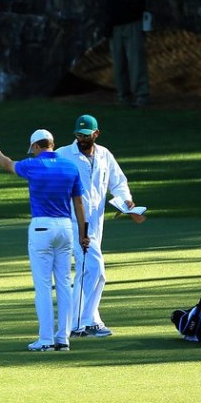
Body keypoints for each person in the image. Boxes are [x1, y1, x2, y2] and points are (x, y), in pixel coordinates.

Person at [0, 129, 88, 351]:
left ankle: (46, 339)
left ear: (37, 146)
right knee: (64, 285)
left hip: (42, 227)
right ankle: (63, 339)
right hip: (66, 228)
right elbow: (79, 204)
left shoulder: (34, 165)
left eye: (32, 149)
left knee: (42, 286)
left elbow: (8, 164)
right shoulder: (70, 167)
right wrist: (83, 233)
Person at [55, 114, 136, 338]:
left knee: (86, 272)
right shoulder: (63, 154)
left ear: (96, 134)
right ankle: (86, 322)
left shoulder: (104, 155)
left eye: (86, 134)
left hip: (97, 222)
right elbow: (46, 174)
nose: (81, 138)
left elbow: (118, 183)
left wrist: (125, 201)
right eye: (78, 134)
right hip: (74, 222)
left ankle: (79, 322)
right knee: (96, 270)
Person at [96, 0, 150, 107]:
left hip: (132, 21)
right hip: (115, 24)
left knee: (135, 60)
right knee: (119, 63)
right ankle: (123, 96)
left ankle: (141, 95)